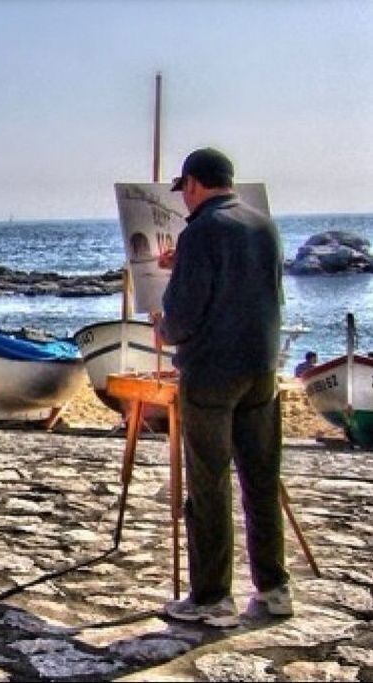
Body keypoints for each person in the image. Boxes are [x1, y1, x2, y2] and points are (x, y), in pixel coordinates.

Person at [157, 148, 291, 627]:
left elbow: (186, 315)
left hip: (213, 373)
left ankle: (213, 596)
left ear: (193, 184)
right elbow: (256, 290)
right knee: (260, 478)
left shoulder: (203, 231)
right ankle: (274, 588)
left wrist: (163, 328)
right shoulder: (263, 225)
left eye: (185, 190)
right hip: (262, 369)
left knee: (209, 482)